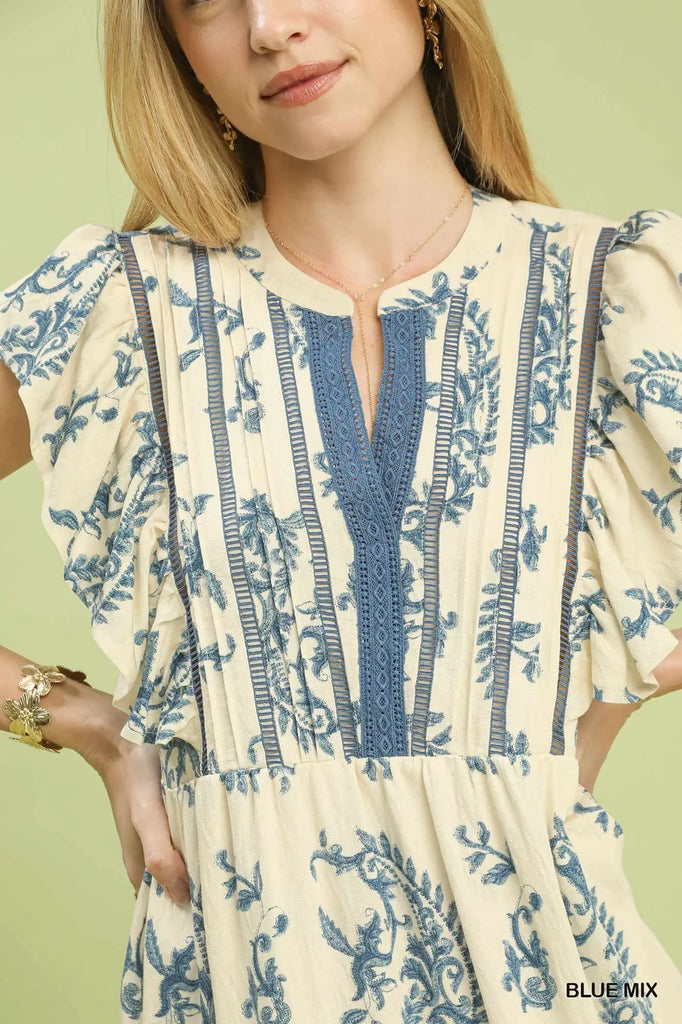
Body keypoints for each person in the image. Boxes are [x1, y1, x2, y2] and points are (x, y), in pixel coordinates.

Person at [1, 0, 681, 1019]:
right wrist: (85, 721)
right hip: (245, 976)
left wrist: (609, 673)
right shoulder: (120, 309)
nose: (269, 25)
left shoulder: (613, 292)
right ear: (179, 54)